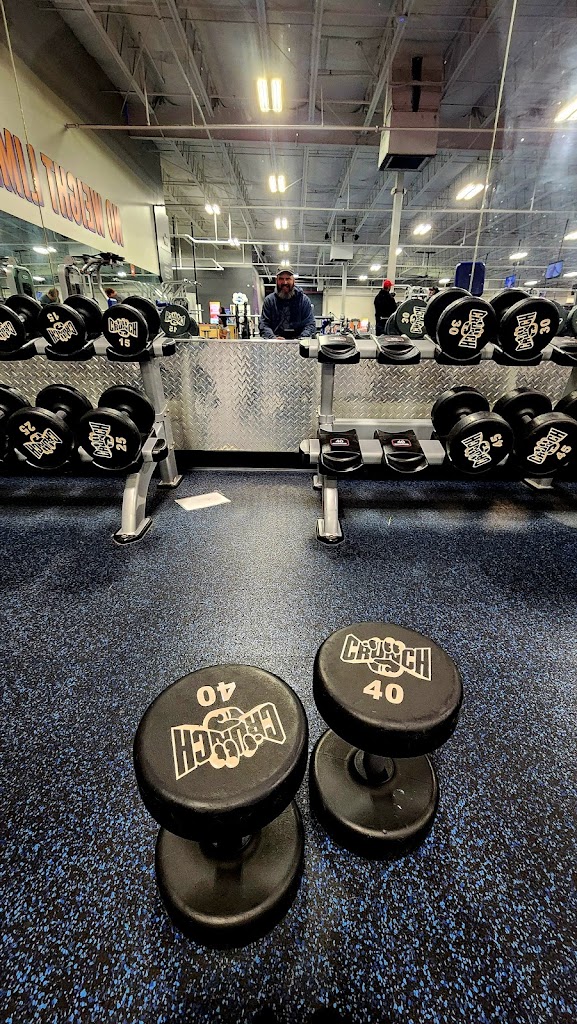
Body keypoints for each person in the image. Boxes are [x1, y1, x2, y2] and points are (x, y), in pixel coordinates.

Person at [259, 265, 316, 339]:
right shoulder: (269, 301)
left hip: (299, 343)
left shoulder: (304, 301)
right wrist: (273, 338)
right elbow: (264, 324)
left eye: (288, 278)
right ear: (276, 280)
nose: (285, 282)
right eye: (281, 279)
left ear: (293, 280)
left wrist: (300, 339)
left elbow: (310, 324)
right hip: (275, 343)